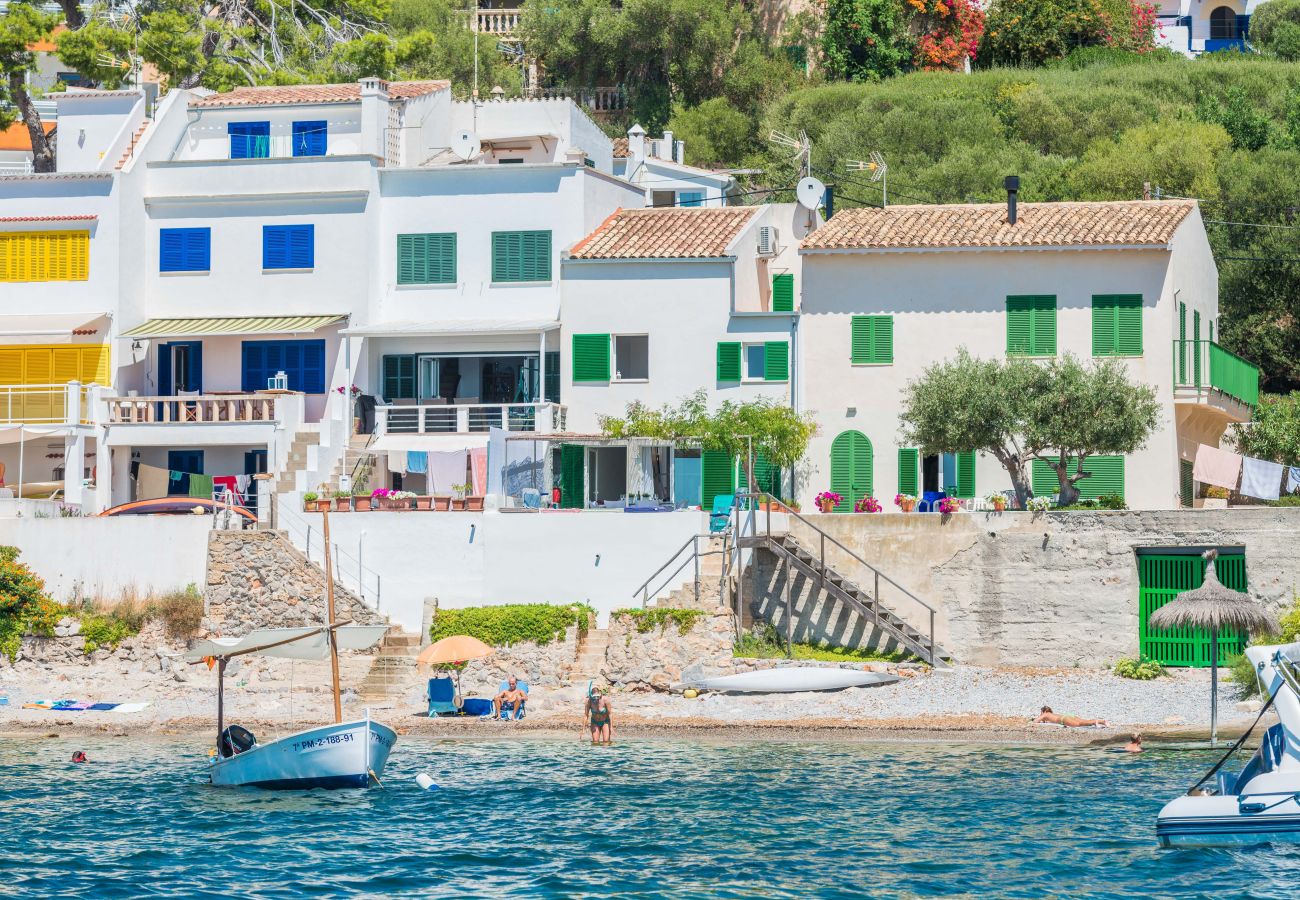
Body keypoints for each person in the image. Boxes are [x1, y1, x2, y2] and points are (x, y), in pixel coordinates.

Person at [1034, 706, 1111, 728]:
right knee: (1084, 721)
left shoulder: (1045, 714)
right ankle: (1101, 721)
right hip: (1067, 715)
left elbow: (1035, 722)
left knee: (1079, 724)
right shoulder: (1051, 714)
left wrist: (1040, 718)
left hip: (1063, 719)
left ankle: (1098, 722)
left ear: (1043, 711)